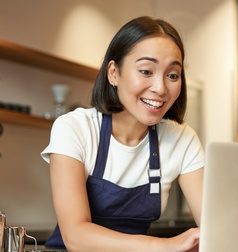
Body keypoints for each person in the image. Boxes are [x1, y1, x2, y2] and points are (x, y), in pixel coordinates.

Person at [41, 15, 204, 252]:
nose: (160, 88)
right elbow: (75, 236)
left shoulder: (181, 139)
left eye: (172, 75)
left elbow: (215, 226)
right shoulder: (74, 128)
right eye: (146, 71)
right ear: (113, 73)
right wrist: (164, 246)